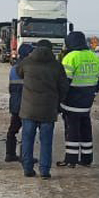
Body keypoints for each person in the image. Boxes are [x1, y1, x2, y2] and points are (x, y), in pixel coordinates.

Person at [16, 39, 69, 179]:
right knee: (46, 141)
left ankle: (27, 168)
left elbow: (18, 72)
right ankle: (44, 171)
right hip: (48, 110)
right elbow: (64, 87)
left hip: (28, 109)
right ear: (51, 49)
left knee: (27, 139)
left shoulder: (27, 62)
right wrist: (58, 101)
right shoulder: (57, 66)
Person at [57, 31, 99, 167]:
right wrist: (94, 92)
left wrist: (60, 99)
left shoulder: (70, 57)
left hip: (71, 101)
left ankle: (71, 159)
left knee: (72, 130)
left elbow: (64, 82)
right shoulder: (94, 57)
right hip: (86, 102)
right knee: (85, 130)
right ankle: (86, 158)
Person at [5, 43, 34, 162]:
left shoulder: (13, 68)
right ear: (28, 54)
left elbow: (11, 88)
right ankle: (25, 156)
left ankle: (10, 153)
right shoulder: (30, 68)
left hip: (15, 102)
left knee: (13, 129)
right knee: (27, 130)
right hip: (27, 103)